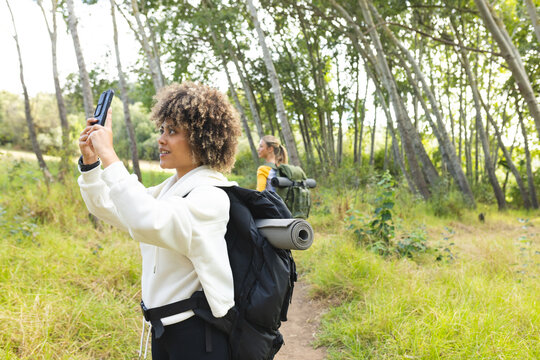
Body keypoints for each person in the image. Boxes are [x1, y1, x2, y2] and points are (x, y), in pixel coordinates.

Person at [77, 82, 242, 360]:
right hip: (164, 331)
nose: (161, 139)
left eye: (173, 131)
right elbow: (110, 206)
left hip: (197, 336)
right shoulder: (169, 189)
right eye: (161, 129)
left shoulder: (211, 197)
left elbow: (146, 221)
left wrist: (110, 155)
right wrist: (92, 162)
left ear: (202, 138)